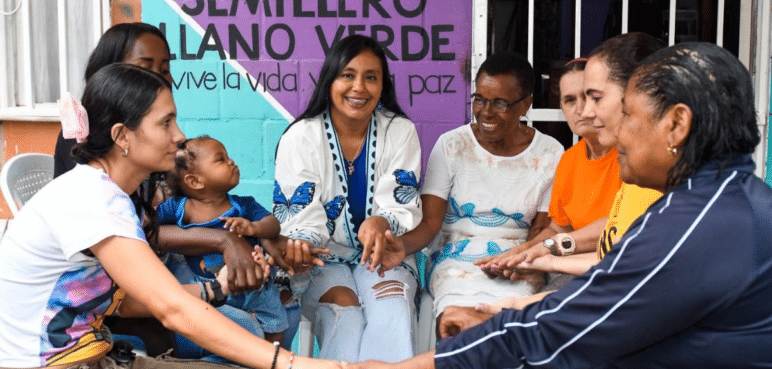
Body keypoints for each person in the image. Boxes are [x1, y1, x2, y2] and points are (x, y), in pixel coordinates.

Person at [350, 41, 772, 369]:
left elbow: (561, 330)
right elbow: (600, 286)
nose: (610, 131)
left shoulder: (694, 226)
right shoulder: (728, 202)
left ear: (676, 124)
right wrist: (520, 294)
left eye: (625, 113)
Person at [0, 63, 341, 369]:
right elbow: (171, 308)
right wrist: (292, 364)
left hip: (92, 356)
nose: (179, 135)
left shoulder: (113, 195)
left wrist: (216, 288)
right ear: (122, 137)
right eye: (165, 122)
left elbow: (126, 303)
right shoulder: (95, 199)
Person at [272, 34, 422, 362]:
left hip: (383, 255)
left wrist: (382, 222)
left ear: (383, 86)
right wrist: (301, 243)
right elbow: (300, 216)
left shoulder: (400, 131)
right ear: (330, 80)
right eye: (348, 75)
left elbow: (401, 202)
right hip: (324, 258)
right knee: (345, 315)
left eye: (371, 77)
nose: (359, 87)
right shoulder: (301, 136)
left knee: (392, 307)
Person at [476, 32, 664, 284]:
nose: (583, 110)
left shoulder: (641, 163)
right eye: (569, 100)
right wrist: (521, 255)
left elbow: (621, 246)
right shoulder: (570, 159)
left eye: (593, 97)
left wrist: (546, 257)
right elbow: (560, 229)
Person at [396, 52, 563, 324]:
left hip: (518, 261)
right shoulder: (452, 145)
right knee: (459, 319)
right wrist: (400, 247)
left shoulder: (549, 153)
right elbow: (429, 223)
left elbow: (540, 230)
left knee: (505, 320)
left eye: (499, 103)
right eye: (480, 100)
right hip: (454, 259)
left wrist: (517, 262)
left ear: (525, 105)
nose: (486, 112)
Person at [157, 135, 287, 344]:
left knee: (277, 320)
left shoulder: (243, 206)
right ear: (195, 181)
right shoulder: (177, 208)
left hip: (251, 284)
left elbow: (273, 224)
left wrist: (254, 228)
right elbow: (150, 228)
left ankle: (273, 355)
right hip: (205, 286)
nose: (231, 161)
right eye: (221, 159)